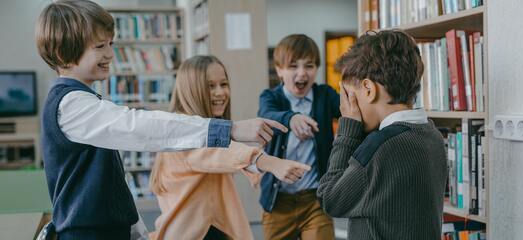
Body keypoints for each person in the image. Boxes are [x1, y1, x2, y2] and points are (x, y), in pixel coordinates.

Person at [35, 1, 286, 239]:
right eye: (100, 46)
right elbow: (140, 127)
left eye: (110, 44)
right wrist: (229, 129)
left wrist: (136, 231)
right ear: (62, 53)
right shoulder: (70, 106)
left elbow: (111, 185)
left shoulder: (85, 101)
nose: (111, 54)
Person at [149, 55, 311, 240]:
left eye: (223, 84)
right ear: (191, 90)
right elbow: (220, 152)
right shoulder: (183, 132)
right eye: (210, 86)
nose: (220, 92)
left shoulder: (188, 127)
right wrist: (270, 162)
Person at [317, 30, 448, 239]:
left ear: (368, 89)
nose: (346, 106)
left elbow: (330, 199)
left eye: (349, 96)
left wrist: (347, 129)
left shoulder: (379, 148)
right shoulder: (432, 134)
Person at [258, 34, 340, 240]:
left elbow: (350, 113)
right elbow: (266, 114)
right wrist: (291, 118)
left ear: (317, 69)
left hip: (315, 200)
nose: (302, 73)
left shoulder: (325, 95)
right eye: (293, 66)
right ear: (279, 70)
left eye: (309, 66)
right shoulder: (271, 97)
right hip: (278, 203)